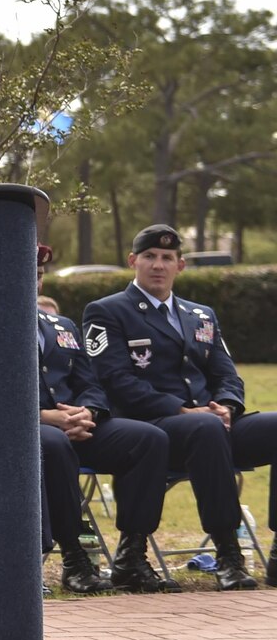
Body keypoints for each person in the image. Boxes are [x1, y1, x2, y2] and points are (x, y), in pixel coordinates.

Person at [82, 224, 277, 590]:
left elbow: (226, 373)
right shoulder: (107, 311)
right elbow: (116, 380)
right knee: (203, 429)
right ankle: (229, 555)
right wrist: (183, 411)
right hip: (154, 427)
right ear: (132, 261)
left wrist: (229, 406)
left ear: (180, 266)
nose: (158, 265)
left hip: (212, 424)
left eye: (167, 258)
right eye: (150, 257)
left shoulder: (200, 314)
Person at [31, 244, 167, 593]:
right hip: (27, 432)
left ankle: (131, 556)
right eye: (28, 273)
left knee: (148, 439)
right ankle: (75, 559)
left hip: (76, 426)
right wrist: (44, 417)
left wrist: (88, 411)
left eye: (40, 275)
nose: (34, 282)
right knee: (53, 443)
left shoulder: (59, 325)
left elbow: (90, 382)